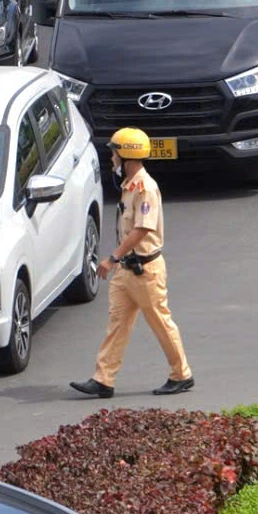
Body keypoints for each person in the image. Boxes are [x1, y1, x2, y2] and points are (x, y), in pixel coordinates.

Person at [70, 128, 194, 399]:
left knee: (161, 322)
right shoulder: (129, 185)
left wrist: (112, 258)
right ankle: (103, 379)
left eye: (114, 151)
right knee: (117, 324)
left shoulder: (145, 188)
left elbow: (141, 230)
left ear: (126, 155)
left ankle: (181, 374)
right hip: (127, 271)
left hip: (145, 270)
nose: (111, 157)